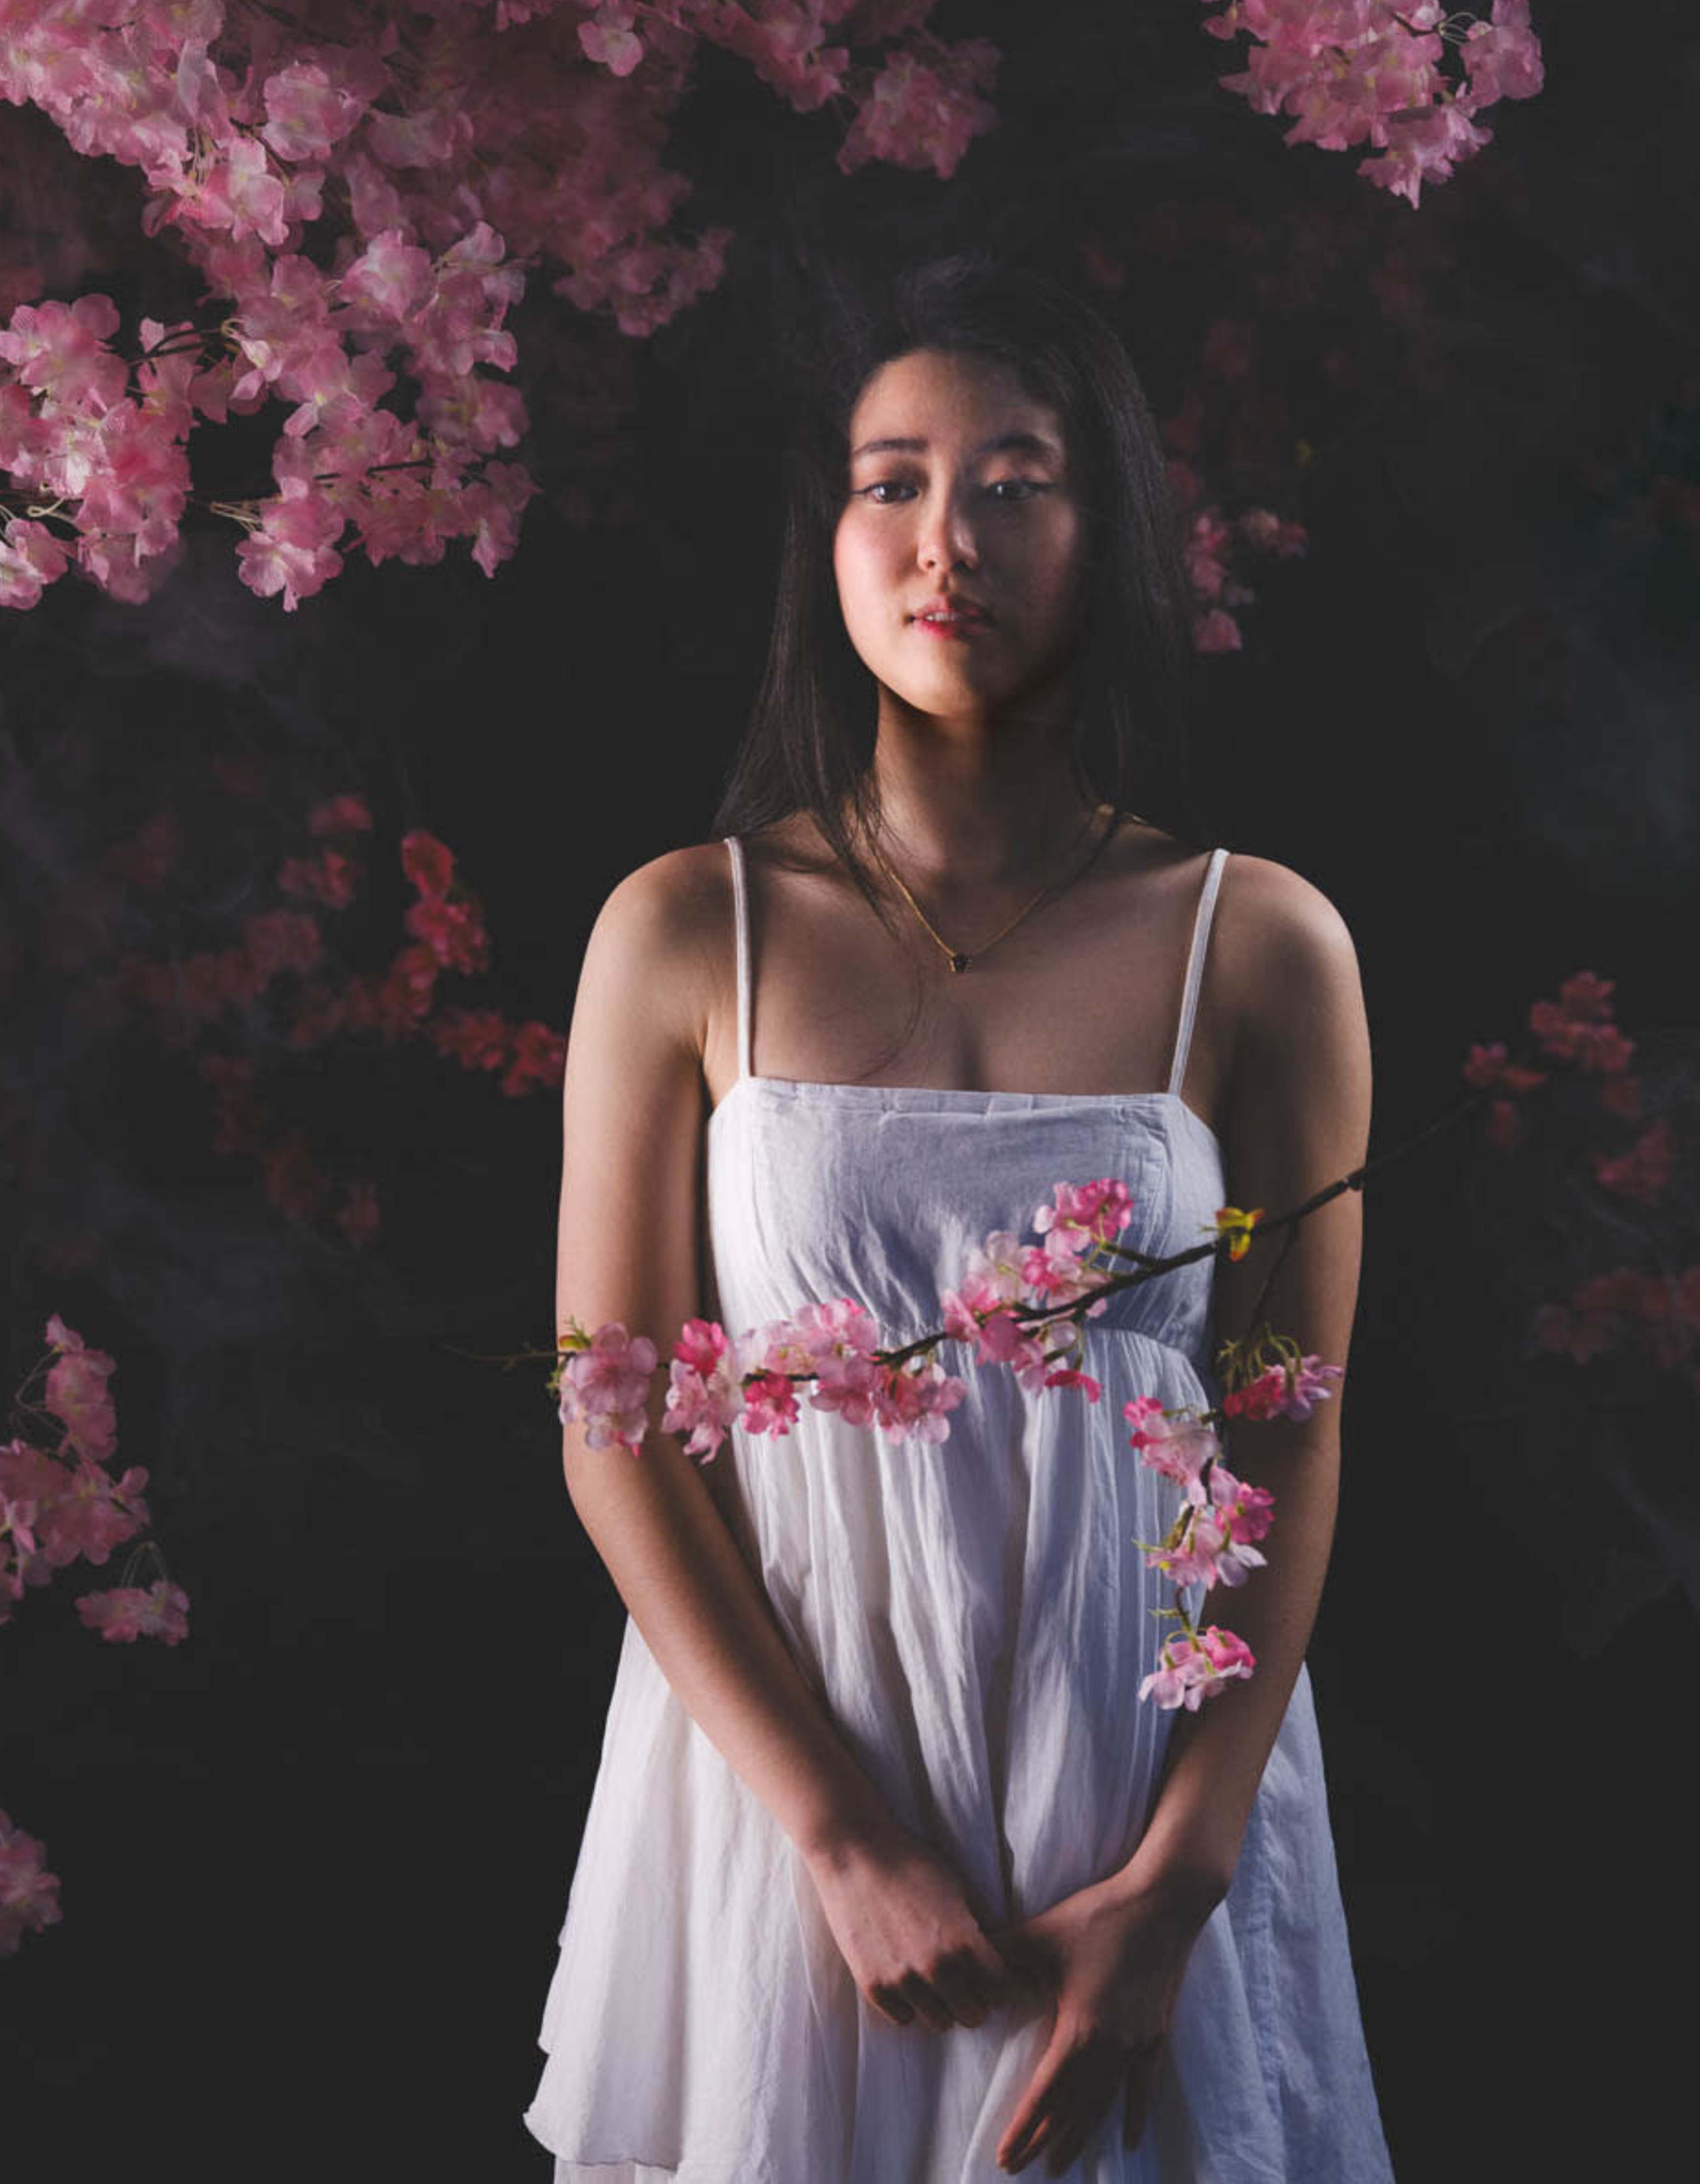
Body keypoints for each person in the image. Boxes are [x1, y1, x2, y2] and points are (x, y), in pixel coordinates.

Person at [524, 256, 1393, 2181]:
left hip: (1142, 1767)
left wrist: (1181, 1871)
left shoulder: (1260, 942)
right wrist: (839, 1837)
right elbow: (616, 1429)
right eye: (892, 479)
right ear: (823, 534)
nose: (951, 540)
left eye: (1018, 479)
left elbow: (1291, 1416)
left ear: (1111, 527)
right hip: (788, 1765)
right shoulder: (686, 928)